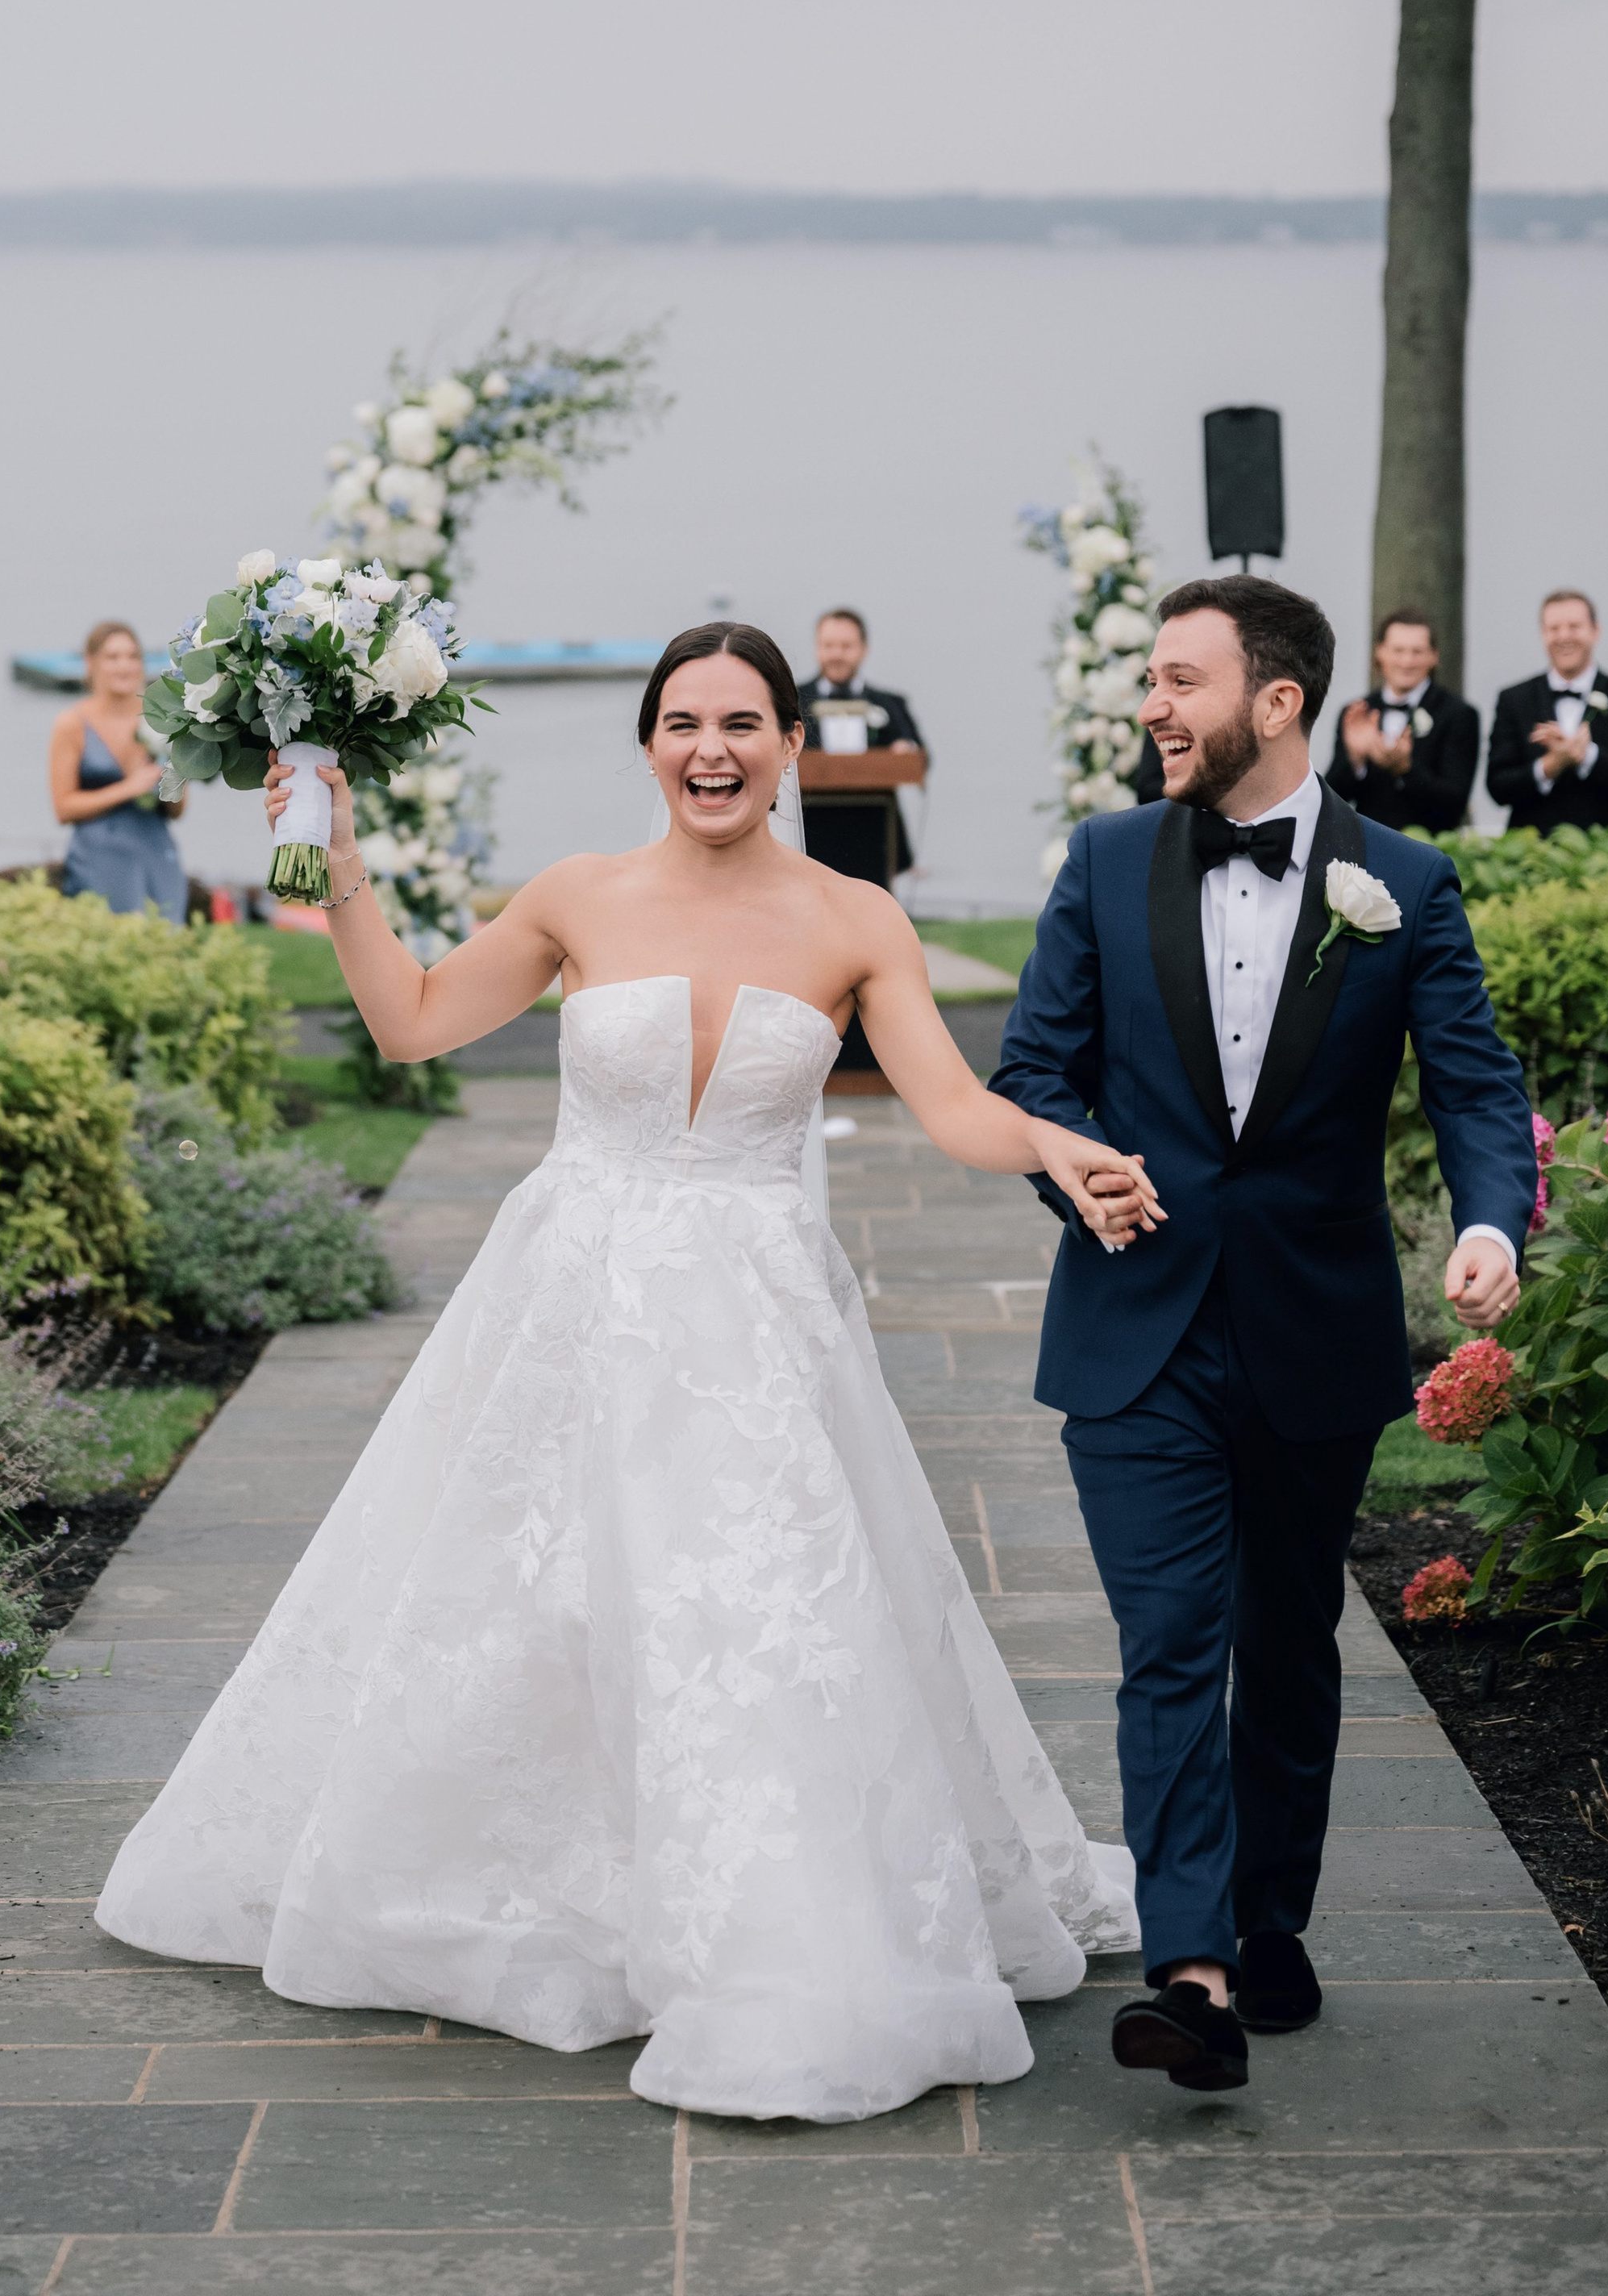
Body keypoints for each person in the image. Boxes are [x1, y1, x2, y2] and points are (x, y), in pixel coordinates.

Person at [96, 623, 1156, 2122]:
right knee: (533, 1598)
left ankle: (773, 1926)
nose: (710, 749)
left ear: (793, 741)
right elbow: (410, 1023)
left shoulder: (856, 918)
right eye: (681, 723)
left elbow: (957, 1107)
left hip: (756, 1335)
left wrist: (1053, 1144)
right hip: (570, 1305)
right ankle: (546, 1888)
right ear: (648, 744)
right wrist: (331, 853)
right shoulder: (576, 897)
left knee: (752, 1613)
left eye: (741, 722)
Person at [993, 576, 1534, 2096]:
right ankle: (1194, 1968)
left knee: (1289, 1645)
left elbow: (1478, 1090)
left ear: (1275, 699)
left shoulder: (1407, 885)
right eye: (1147, 683)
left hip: (1315, 1325)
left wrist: (1488, 1229)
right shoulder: (1102, 864)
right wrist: (1078, 1166)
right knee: (1171, 1644)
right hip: (1135, 1327)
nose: (1150, 708)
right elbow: (1039, 1066)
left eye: (1178, 680)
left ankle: (1268, 1919)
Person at [50, 620, 188, 922]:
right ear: (91, 663)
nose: (124, 666)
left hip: (156, 856)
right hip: (98, 860)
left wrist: (170, 775)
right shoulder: (71, 724)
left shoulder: (164, 721)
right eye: (113, 657)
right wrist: (129, 788)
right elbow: (63, 808)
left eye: (132, 656)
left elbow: (177, 811)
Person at [1323, 606, 1479, 834]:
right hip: (1367, 846)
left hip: (1430, 849)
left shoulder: (1458, 714)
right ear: (1380, 653)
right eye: (1398, 650)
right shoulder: (1358, 712)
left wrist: (1405, 769)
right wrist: (1355, 760)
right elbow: (1331, 800)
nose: (1407, 661)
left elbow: (1455, 801)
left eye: (1417, 651)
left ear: (1433, 656)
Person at [795, 605, 925, 873]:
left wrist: (904, 750)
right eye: (829, 645)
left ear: (863, 649)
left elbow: (921, 757)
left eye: (846, 646)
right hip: (812, 832)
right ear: (817, 647)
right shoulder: (792, 700)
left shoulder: (889, 703)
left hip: (874, 832)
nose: (836, 654)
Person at [1485, 591, 1608, 836]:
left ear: (1596, 631)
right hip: (1531, 853)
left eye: (1574, 627)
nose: (1564, 637)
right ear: (1543, 634)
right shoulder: (1513, 699)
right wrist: (1549, 766)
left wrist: (1588, 756)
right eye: (1554, 628)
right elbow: (1497, 787)